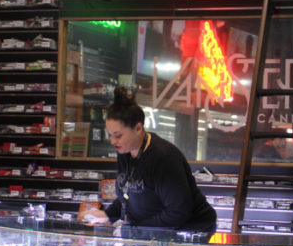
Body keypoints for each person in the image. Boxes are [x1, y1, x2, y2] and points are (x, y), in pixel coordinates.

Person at [82, 87, 217, 236]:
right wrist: (107, 215)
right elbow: (128, 194)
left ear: (138, 128)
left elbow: (177, 212)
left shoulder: (164, 159)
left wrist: (133, 231)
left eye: (118, 135)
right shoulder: (125, 151)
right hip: (150, 232)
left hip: (188, 233)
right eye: (110, 135)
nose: (113, 141)